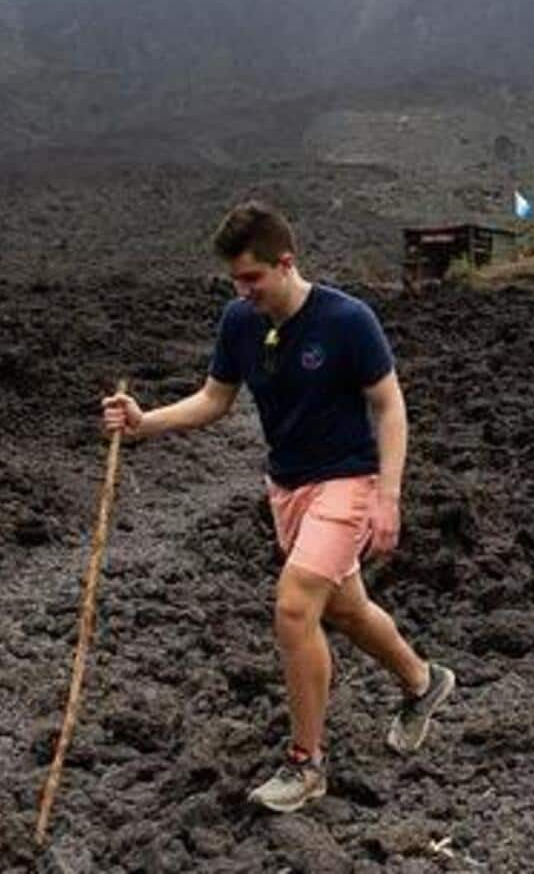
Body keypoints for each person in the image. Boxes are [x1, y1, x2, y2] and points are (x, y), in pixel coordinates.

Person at [99, 201, 453, 814]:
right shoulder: (240, 322)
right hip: (287, 489)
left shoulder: (348, 320)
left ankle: (306, 762)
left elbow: (390, 406)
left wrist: (388, 496)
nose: (243, 292)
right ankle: (424, 682)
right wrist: (143, 423)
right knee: (345, 606)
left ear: (285, 263)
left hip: (347, 482)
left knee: (294, 609)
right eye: (236, 281)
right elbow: (214, 399)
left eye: (252, 279)